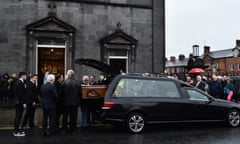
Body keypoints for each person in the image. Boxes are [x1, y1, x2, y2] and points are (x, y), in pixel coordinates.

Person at [61, 70, 82, 134]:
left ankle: (64, 130)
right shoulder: (78, 83)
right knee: (74, 117)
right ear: (73, 75)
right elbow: (80, 93)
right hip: (75, 103)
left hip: (66, 103)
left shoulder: (64, 82)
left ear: (68, 75)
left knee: (65, 117)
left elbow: (61, 94)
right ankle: (73, 130)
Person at [13, 72, 27, 137]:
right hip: (19, 103)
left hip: (18, 102)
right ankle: (16, 131)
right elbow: (21, 94)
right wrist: (24, 103)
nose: (26, 77)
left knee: (18, 117)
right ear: (22, 76)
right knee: (18, 117)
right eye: (25, 76)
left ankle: (17, 130)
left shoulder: (18, 82)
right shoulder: (19, 83)